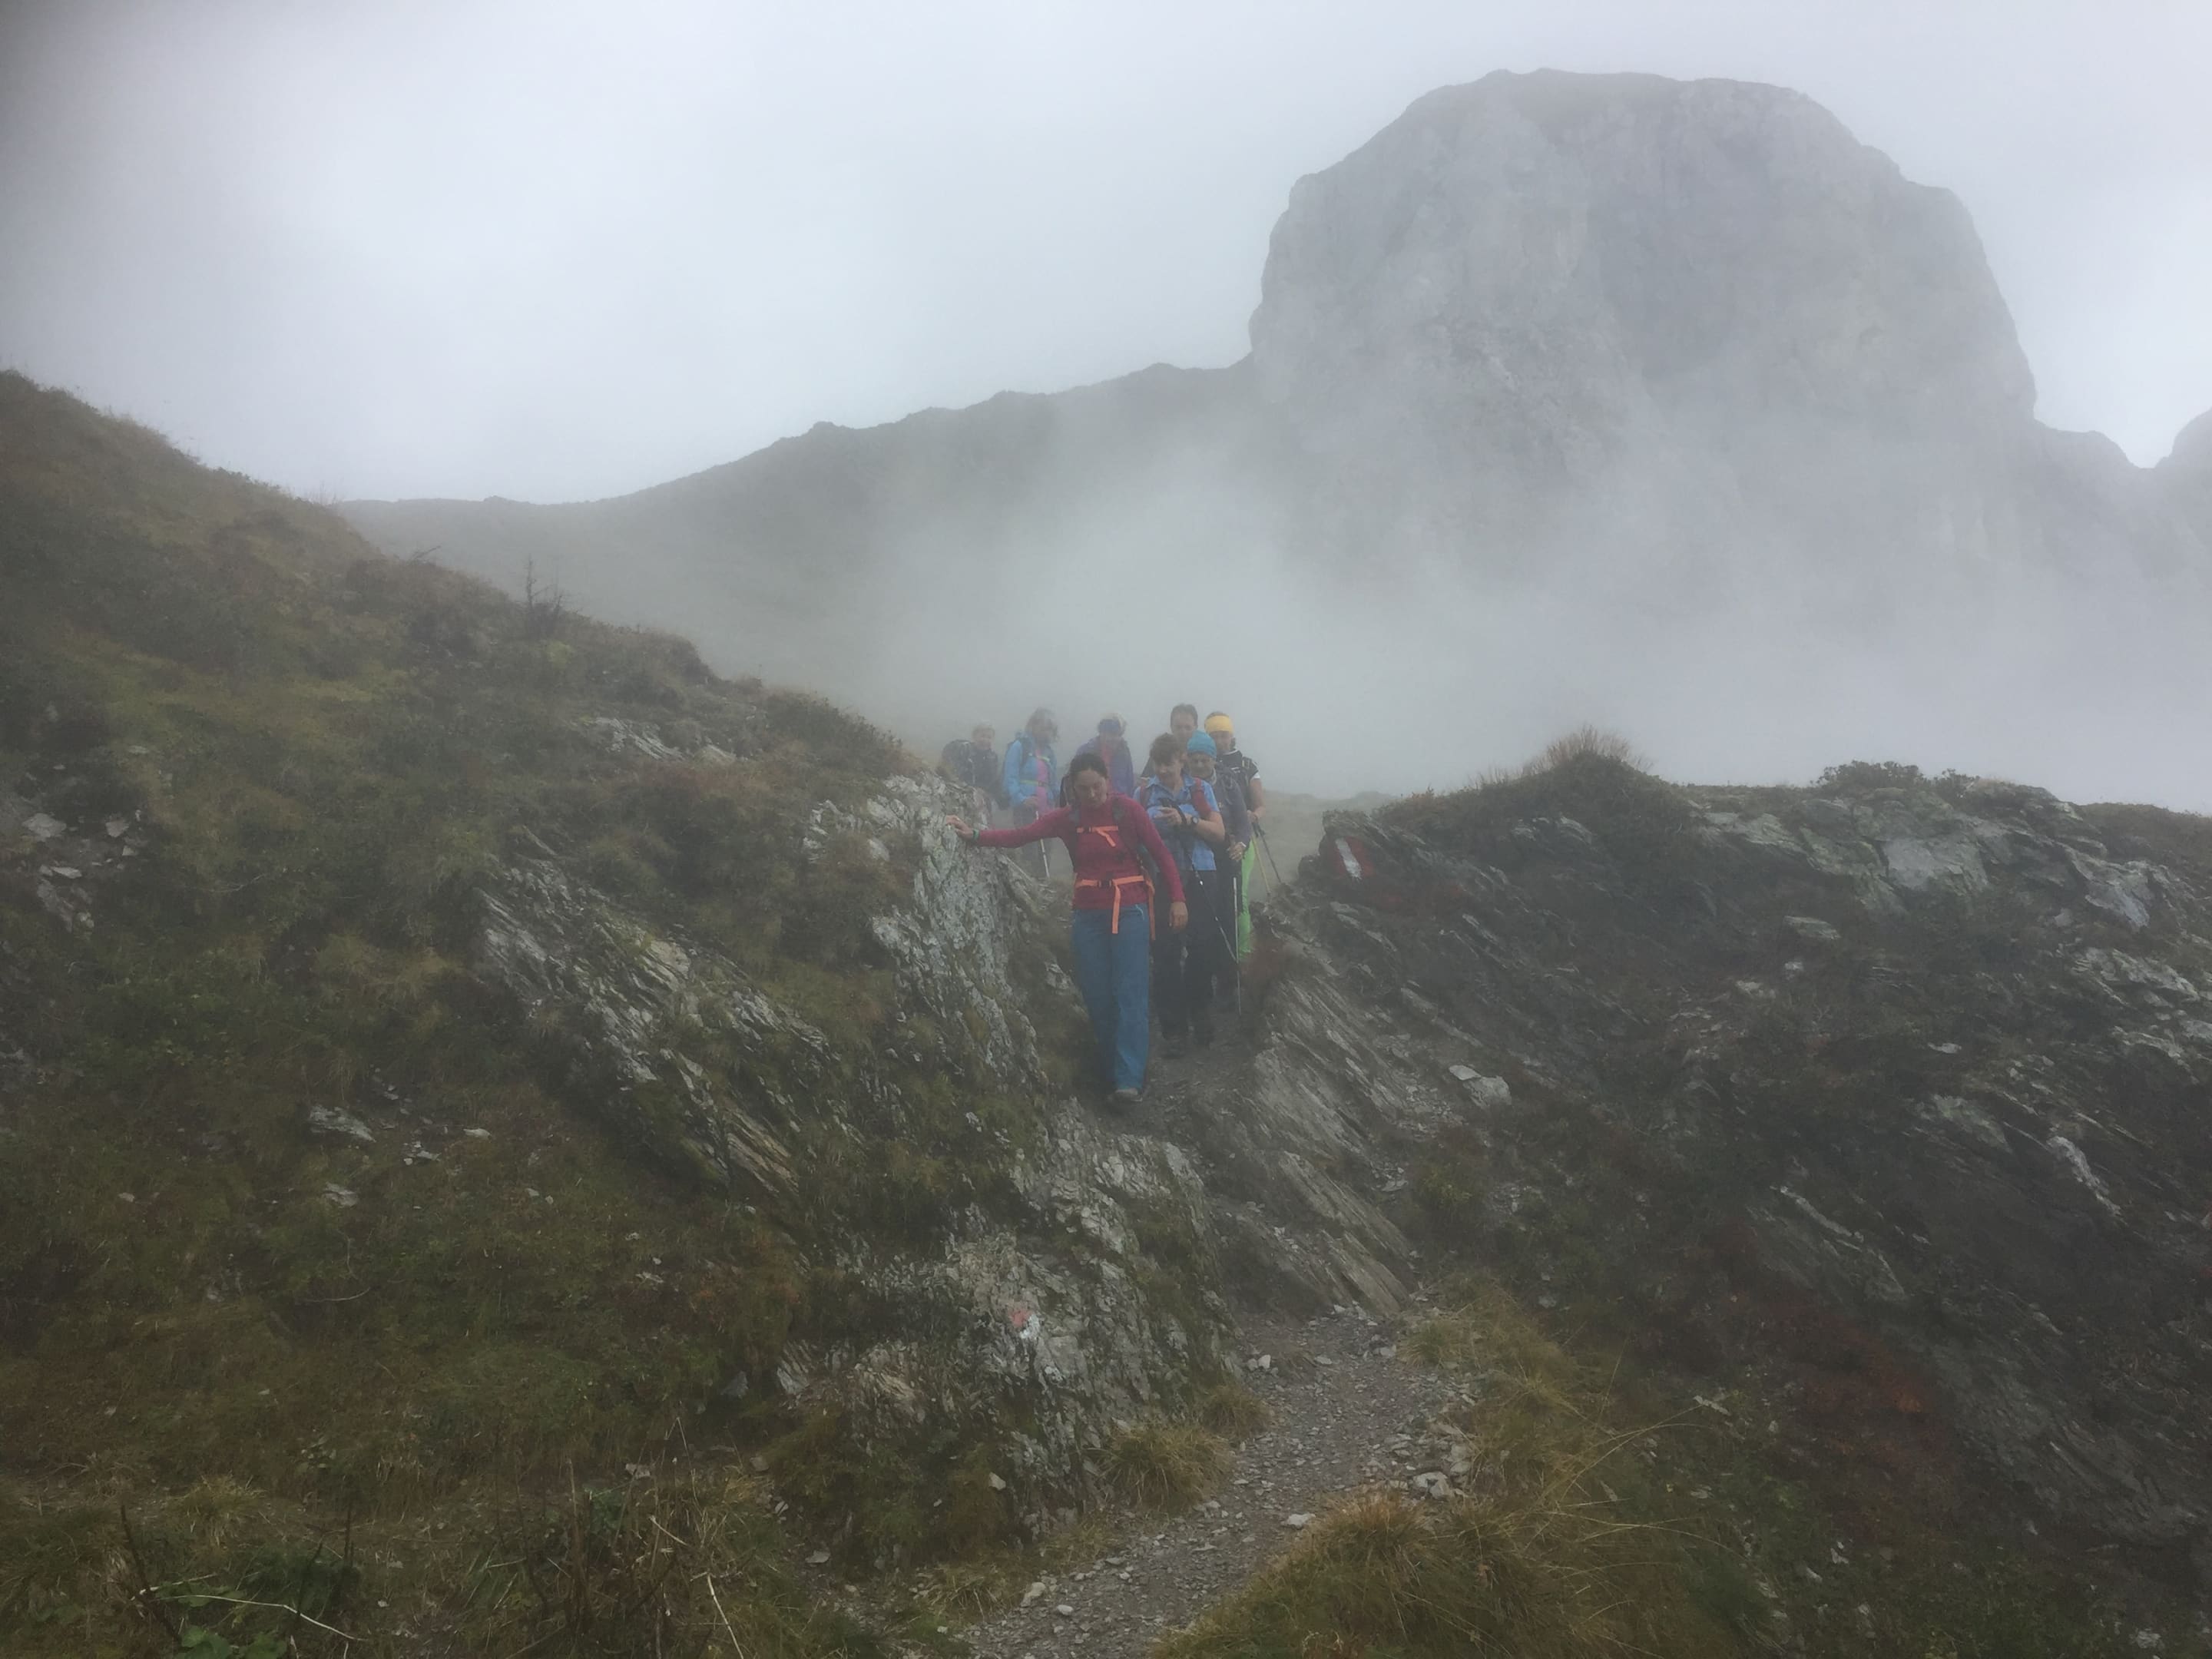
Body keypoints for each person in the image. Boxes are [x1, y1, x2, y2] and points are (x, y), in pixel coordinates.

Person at [950, 752, 1187, 1102]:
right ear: (1072, 788)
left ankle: (1129, 1080)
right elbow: (1021, 835)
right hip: (1088, 916)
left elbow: (1161, 854)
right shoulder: (1067, 817)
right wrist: (975, 835)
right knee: (1097, 997)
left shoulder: (1129, 810)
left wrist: (1178, 899)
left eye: (1097, 786)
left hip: (1130, 911)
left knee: (1130, 994)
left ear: (1107, 781)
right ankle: (1114, 1073)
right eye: (1083, 789)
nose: (1092, 795)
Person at [1138, 733, 1228, 1054]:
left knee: (1202, 946)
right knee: (1165, 950)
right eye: (1158, 764)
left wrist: (1187, 820)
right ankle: (1173, 1029)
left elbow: (1219, 832)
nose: (1163, 770)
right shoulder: (1144, 793)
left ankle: (1199, 1009)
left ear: (1182, 760)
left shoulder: (1200, 790)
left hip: (1202, 871)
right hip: (1162, 877)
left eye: (1169, 763)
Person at [1183, 730, 1247, 998]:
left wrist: (1241, 845)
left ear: (1213, 759)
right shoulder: (1180, 785)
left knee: (1227, 921)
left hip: (1225, 859)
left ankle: (1227, 984)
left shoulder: (1228, 784)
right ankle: (1200, 986)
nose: (1200, 765)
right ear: (1187, 759)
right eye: (1195, 760)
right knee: (1200, 925)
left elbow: (1243, 823)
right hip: (1194, 862)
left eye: (1205, 760)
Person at [1204, 713, 1264, 959]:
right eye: (1214, 736)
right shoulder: (1201, 761)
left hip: (1241, 839)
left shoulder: (1247, 765)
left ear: (1232, 736)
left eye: (1224, 735)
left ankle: (1243, 953)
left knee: (1240, 895)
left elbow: (1260, 805)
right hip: (1211, 840)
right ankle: (1221, 951)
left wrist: (1252, 816)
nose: (1220, 741)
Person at [1002, 709, 1060, 876]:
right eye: (1044, 728)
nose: (1047, 733)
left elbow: (1053, 781)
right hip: (1026, 807)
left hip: (1046, 807)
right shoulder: (1020, 746)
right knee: (1029, 848)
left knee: (1046, 849)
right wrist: (1021, 799)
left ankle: (1043, 882)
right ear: (1033, 725)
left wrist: (1060, 800)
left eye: (1050, 730)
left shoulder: (1049, 752)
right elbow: (1010, 777)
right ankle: (1028, 880)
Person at [939, 724, 1003, 820]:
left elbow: (993, 781)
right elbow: (954, 774)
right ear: (974, 736)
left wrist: (998, 798)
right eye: (983, 736)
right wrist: (973, 789)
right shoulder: (963, 750)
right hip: (957, 796)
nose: (986, 740)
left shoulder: (993, 757)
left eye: (989, 737)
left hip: (980, 801)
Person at [1073, 714, 1137, 797]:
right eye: (1113, 734)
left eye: (1119, 735)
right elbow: (1074, 780)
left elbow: (1129, 782)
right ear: (1102, 732)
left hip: (1118, 801)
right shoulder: (1085, 751)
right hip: (1092, 799)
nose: (1116, 738)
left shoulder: (1124, 752)